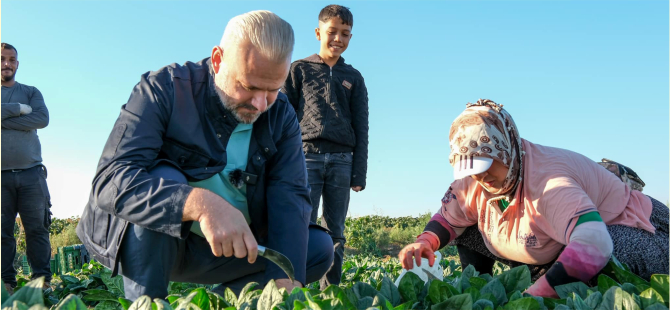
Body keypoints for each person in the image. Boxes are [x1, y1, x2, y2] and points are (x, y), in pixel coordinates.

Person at [76, 11, 333, 300]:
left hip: (231, 249)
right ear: (218, 60)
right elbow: (111, 181)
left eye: (272, 89)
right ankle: (147, 303)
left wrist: (285, 282)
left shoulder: (281, 114)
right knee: (163, 176)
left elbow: (291, 196)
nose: (260, 103)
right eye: (248, 87)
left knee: (313, 249)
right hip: (157, 245)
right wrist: (199, 204)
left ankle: (217, 302)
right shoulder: (163, 89)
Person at [399, 99, 668, 298]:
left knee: (605, 267)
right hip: (556, 241)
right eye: (471, 170)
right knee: (469, 226)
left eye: (485, 166)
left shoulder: (549, 183)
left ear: (505, 149)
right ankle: (480, 286)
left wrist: (534, 298)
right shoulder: (475, 180)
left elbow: (595, 243)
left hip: (631, 228)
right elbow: (450, 215)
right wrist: (425, 242)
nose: (481, 178)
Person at [282, 4, 369, 289]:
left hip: (343, 161)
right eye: (332, 32)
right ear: (319, 32)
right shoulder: (299, 70)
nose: (338, 39)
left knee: (336, 232)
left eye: (345, 34)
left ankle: (331, 291)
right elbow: (283, 119)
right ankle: (298, 288)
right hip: (305, 158)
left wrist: (359, 173)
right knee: (301, 227)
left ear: (350, 38)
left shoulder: (354, 78)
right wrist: (283, 163)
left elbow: (362, 127)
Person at [1, 43, 52, 293]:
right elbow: (29, 118)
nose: (6, 63)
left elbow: (42, 119)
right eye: (2, 59)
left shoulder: (31, 91)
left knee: (37, 230)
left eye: (11, 59)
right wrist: (17, 111)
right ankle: (5, 284)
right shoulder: (21, 101)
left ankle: (41, 282)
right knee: (2, 234)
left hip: (32, 173)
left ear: (17, 64)